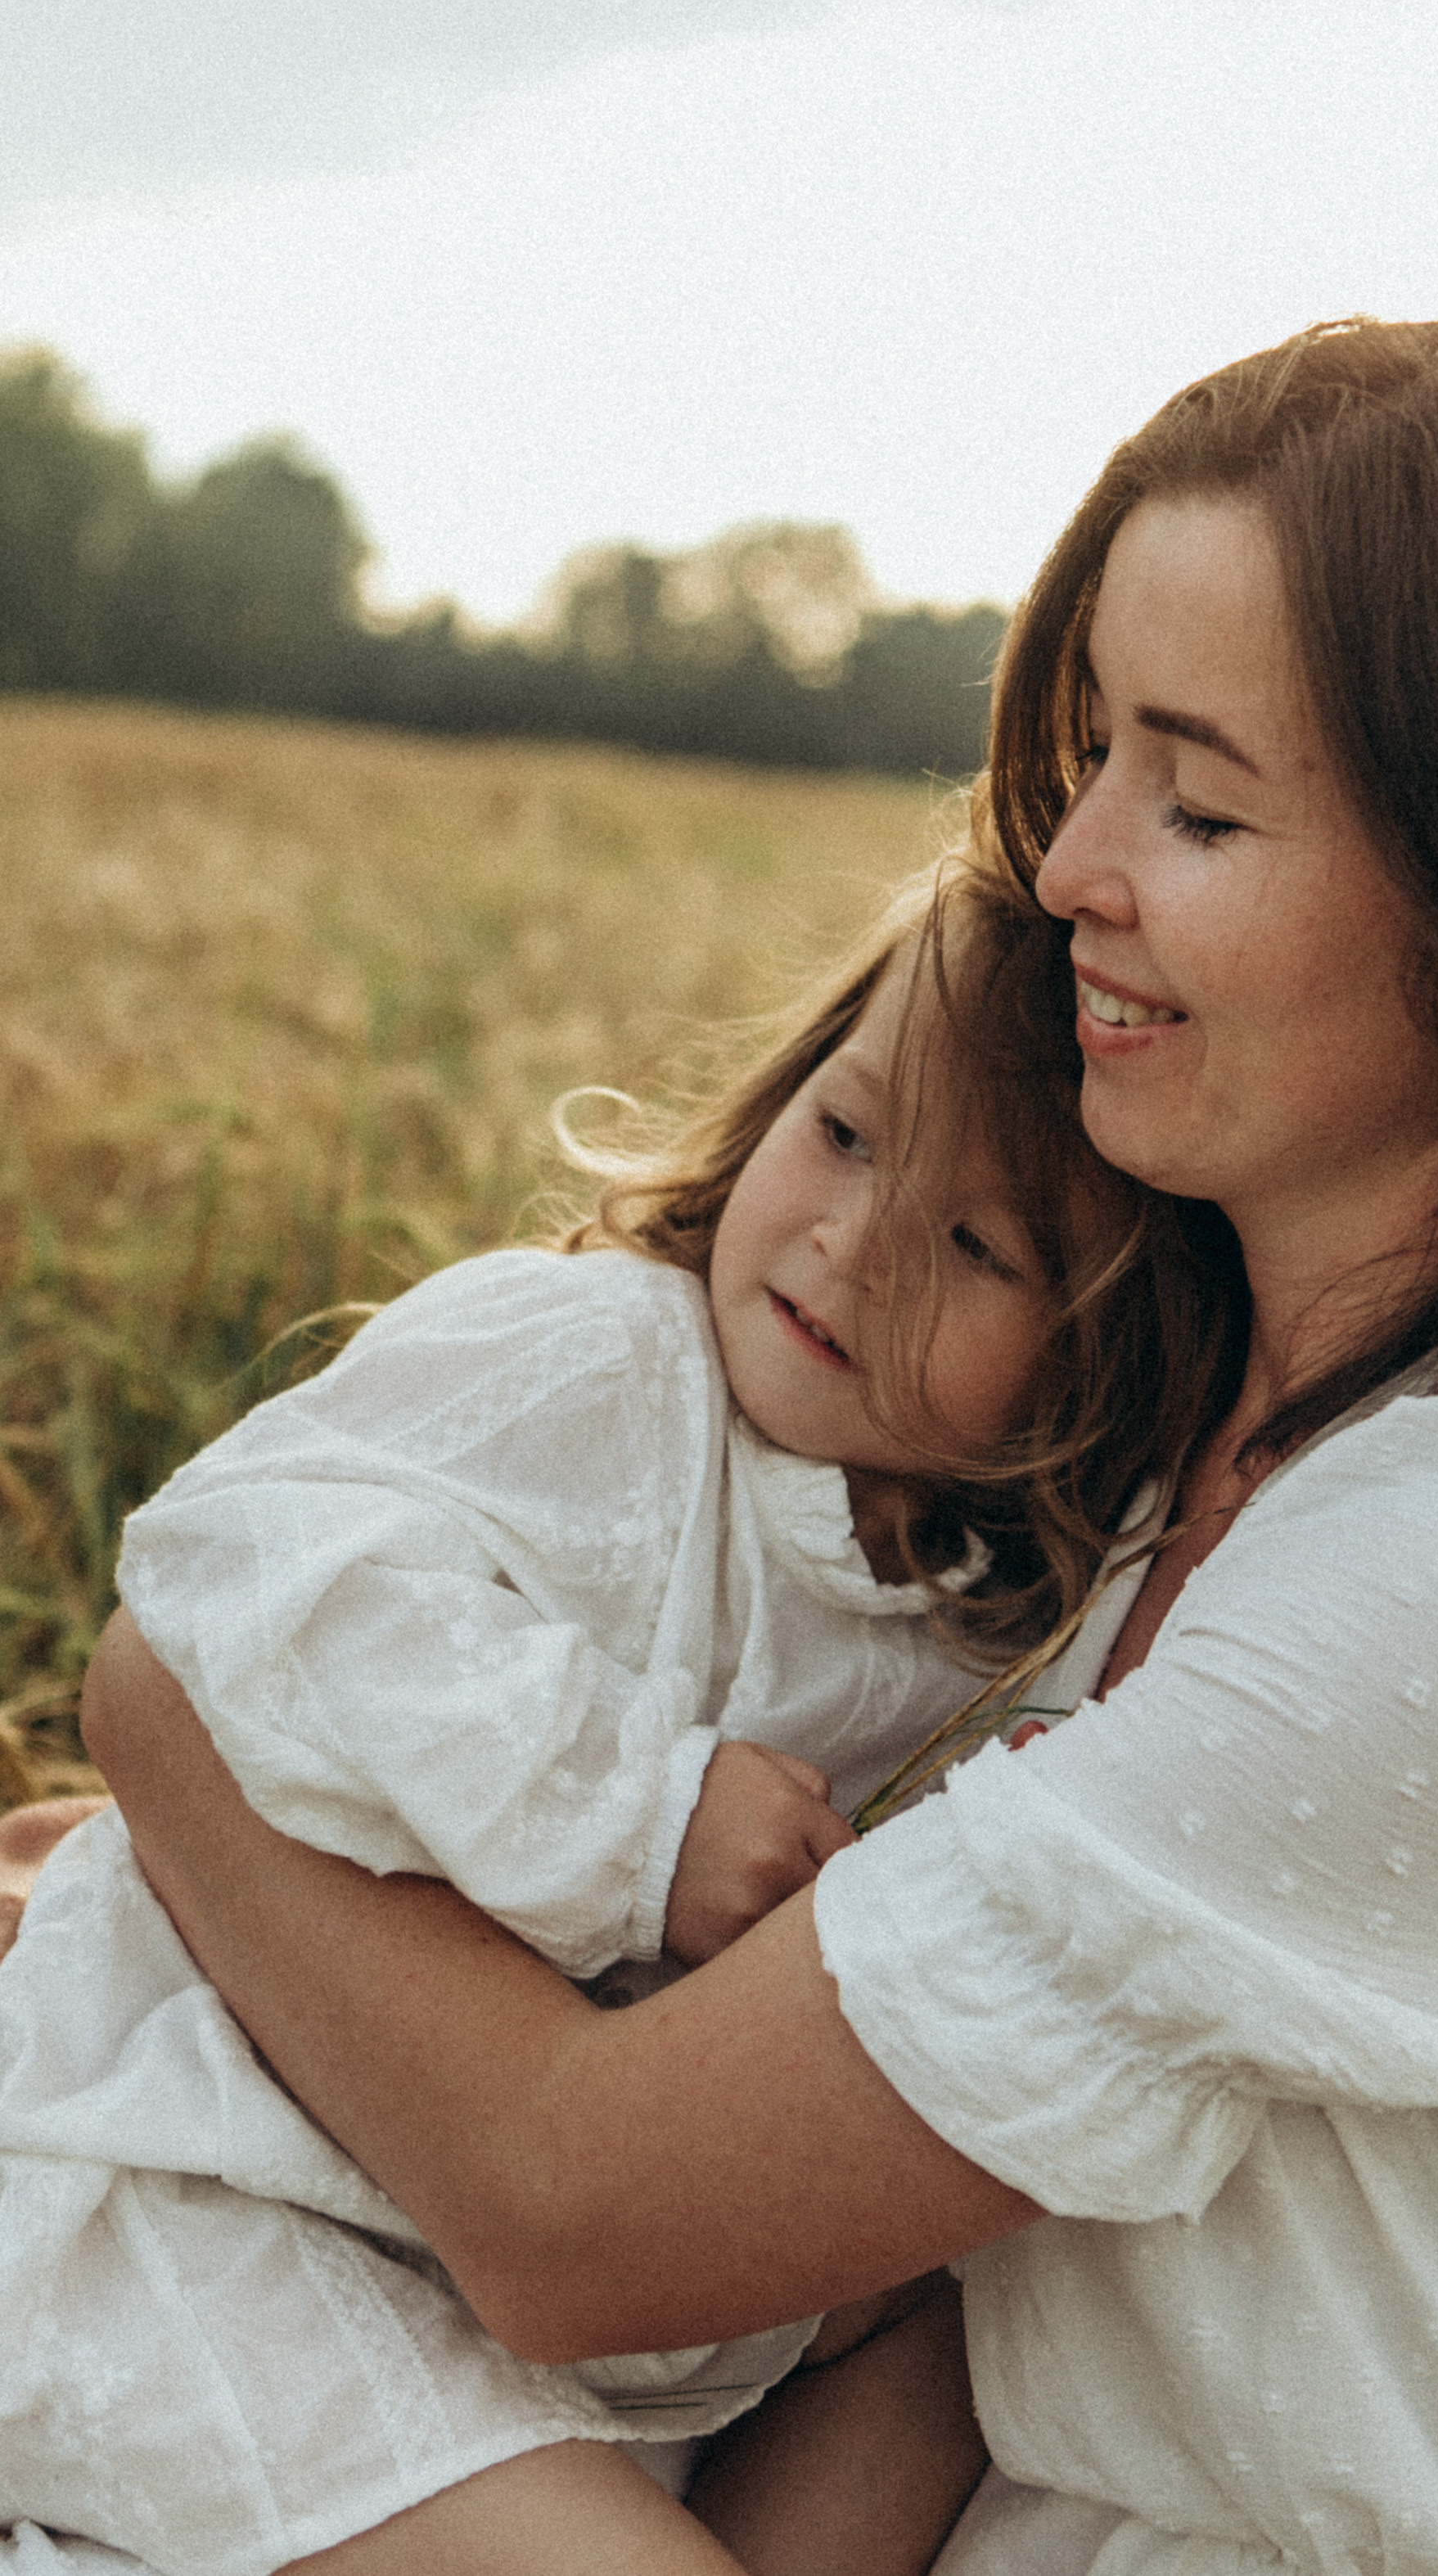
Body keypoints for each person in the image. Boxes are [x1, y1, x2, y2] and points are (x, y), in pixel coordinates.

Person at [45, 314, 1438, 2575]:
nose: (1062, 868)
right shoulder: (1174, 1456)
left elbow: (575, 2204)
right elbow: (934, 2256)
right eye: (1091, 753)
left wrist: (174, 1715)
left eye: (1196, 800)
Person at [0, 856, 1223, 2576]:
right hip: (203, 2209)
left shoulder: (985, 1614)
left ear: (1102, 1357)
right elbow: (238, 1564)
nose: (850, 1244)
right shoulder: (605, 1367)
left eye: (973, 1244)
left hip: (494, 2310)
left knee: (973, 2318)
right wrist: (636, 1813)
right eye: (849, 1131)